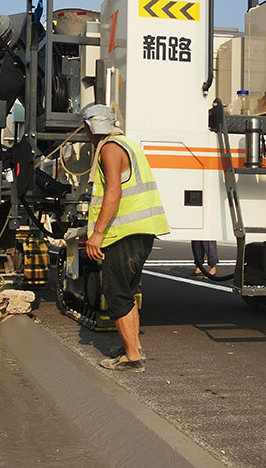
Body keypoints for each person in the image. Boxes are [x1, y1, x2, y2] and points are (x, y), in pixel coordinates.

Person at [82, 104, 170, 373]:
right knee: (127, 293)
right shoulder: (127, 144)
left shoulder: (109, 149)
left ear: (87, 129)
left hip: (123, 232)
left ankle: (132, 357)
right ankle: (134, 348)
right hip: (141, 231)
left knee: (116, 293)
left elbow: (113, 191)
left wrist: (97, 233)